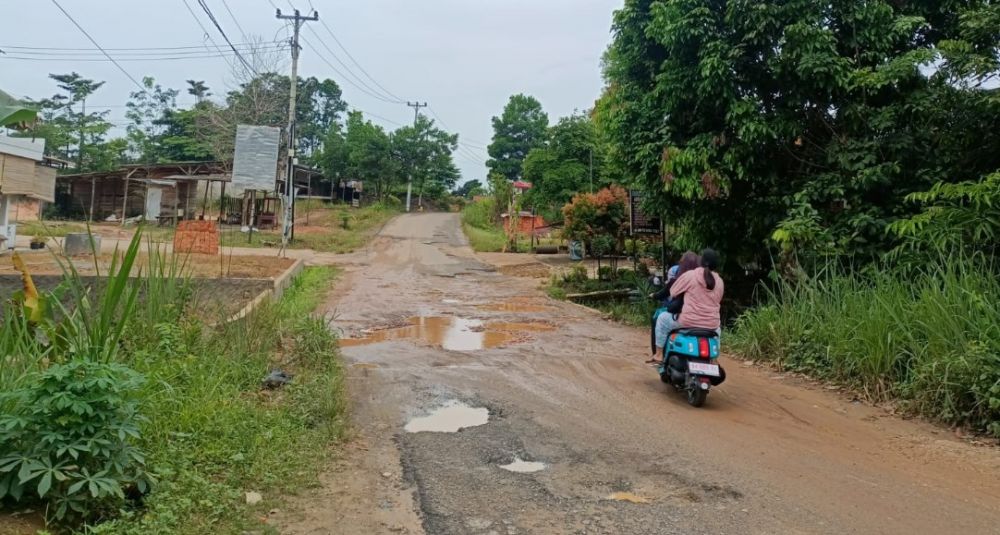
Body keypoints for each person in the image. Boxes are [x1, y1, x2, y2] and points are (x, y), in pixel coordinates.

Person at [653, 249, 724, 361]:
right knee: (718, 330)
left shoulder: (690, 275)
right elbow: (717, 300)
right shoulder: (720, 281)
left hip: (688, 321)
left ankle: (658, 355)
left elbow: (673, 292)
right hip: (712, 325)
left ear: (702, 261)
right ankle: (714, 360)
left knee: (662, 319)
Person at [645, 251, 699, 363]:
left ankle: (658, 354)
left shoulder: (681, 279)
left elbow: (669, 292)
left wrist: (654, 295)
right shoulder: (706, 281)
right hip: (705, 319)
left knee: (659, 318)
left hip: (684, 316)